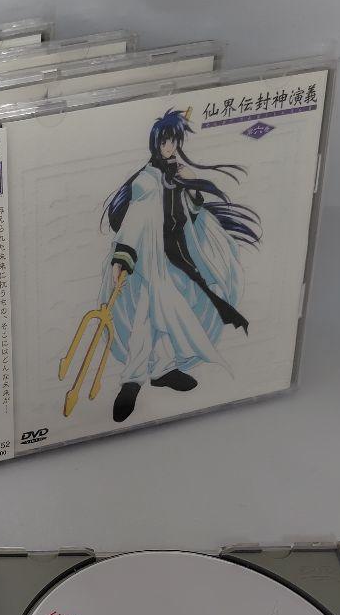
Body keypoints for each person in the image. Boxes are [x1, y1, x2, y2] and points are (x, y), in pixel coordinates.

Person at [99, 109, 262, 423]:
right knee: (147, 316)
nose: (169, 147)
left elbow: (192, 211)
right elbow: (134, 221)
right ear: (155, 144)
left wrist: (191, 186)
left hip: (177, 256)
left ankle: (162, 369)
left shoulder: (175, 174)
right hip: (150, 261)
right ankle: (132, 382)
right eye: (164, 142)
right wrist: (124, 256)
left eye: (173, 141)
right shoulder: (147, 180)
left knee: (169, 312)